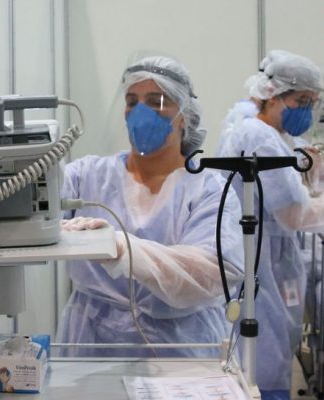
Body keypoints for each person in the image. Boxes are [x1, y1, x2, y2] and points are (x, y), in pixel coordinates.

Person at [217, 50, 324, 399]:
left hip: (267, 256)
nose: (306, 110)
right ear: (274, 95)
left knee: (268, 346)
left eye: (312, 101)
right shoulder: (259, 137)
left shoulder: (267, 129)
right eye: (301, 101)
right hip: (259, 262)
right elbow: (295, 214)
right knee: (263, 353)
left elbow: (310, 160)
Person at [57, 56, 244, 358]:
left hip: (182, 346)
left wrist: (122, 249)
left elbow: (210, 273)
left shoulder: (209, 189)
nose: (140, 112)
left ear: (184, 115)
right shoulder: (87, 176)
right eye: (132, 102)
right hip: (92, 343)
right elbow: (35, 215)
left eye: (156, 101)